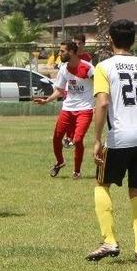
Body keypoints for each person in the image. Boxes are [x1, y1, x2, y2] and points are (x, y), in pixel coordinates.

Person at [86, 19, 137, 265]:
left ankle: (109, 240)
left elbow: (102, 103)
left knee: (102, 184)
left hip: (120, 136)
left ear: (111, 39)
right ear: (134, 39)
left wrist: (97, 139)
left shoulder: (104, 67)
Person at [34, 41, 94, 179]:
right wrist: (47, 100)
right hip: (67, 109)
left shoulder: (88, 68)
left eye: (62, 51)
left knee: (78, 140)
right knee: (56, 138)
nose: (59, 54)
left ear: (72, 52)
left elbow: (101, 84)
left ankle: (77, 171)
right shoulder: (63, 69)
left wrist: (101, 102)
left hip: (85, 109)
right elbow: (60, 90)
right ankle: (60, 162)